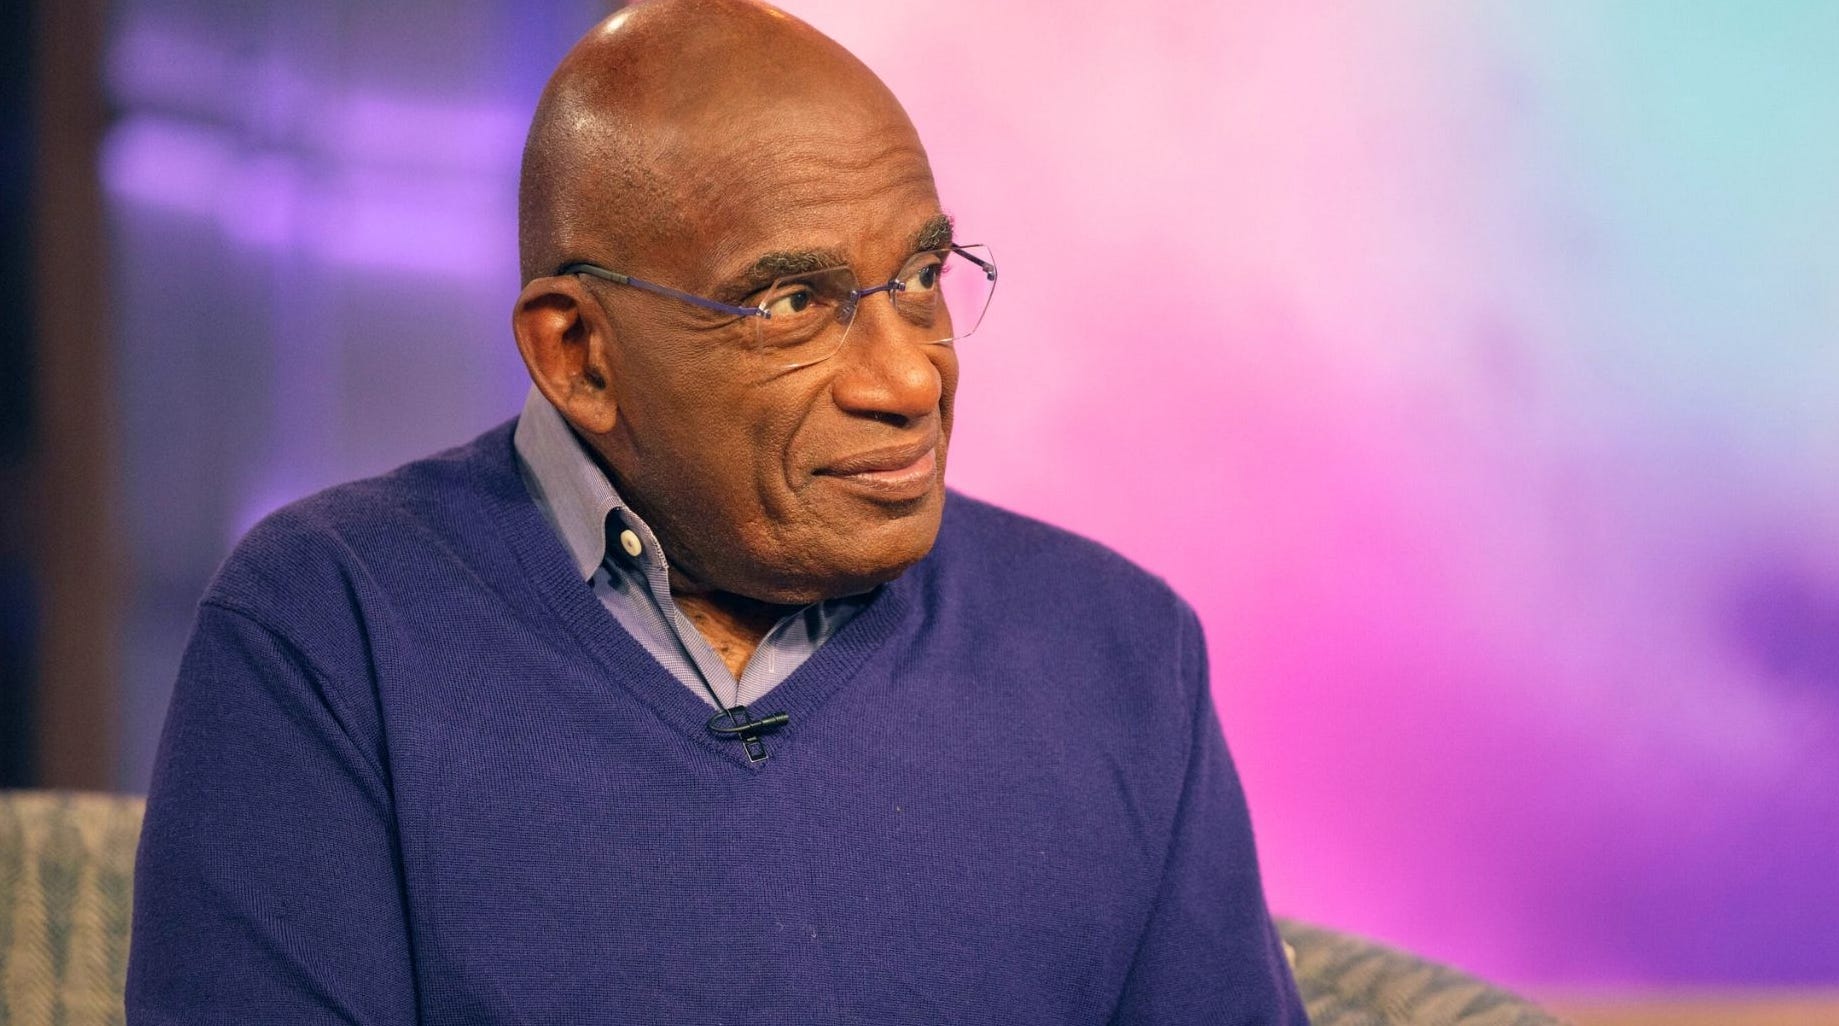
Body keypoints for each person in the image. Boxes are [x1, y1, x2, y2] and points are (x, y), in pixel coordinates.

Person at [126, 2, 1309, 1022]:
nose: (910, 378)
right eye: (793, 303)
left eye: (921, 281)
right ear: (579, 355)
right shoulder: (331, 627)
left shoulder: (1118, 650)